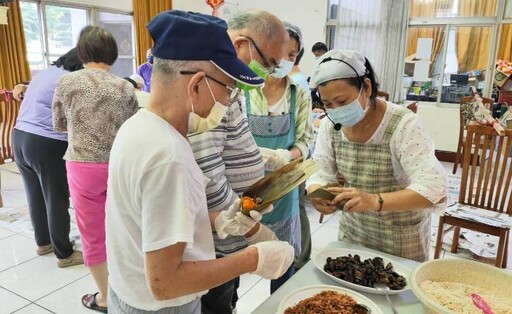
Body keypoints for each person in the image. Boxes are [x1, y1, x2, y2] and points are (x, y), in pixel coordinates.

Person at [105, 10, 294, 314]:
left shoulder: (140, 127)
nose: (226, 101)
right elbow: (165, 282)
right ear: (196, 85)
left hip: (127, 292)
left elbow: (151, 217)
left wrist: (219, 219)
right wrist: (253, 258)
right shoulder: (169, 157)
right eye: (227, 89)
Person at [188, 10, 291, 314]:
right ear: (242, 45)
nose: (268, 73)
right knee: (214, 304)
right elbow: (208, 172)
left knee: (227, 299)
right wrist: (246, 231)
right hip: (213, 242)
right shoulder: (209, 88)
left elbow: (231, 147)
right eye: (269, 63)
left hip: (229, 234)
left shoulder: (230, 85)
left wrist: (264, 160)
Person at [306, 49, 447, 262]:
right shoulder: (330, 126)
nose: (335, 110)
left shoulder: (403, 124)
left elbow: (434, 189)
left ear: (367, 87)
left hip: (401, 239)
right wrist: (318, 194)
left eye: (342, 101)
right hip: (354, 234)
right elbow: (319, 173)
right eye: (327, 105)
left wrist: (374, 200)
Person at [52, 26, 139, 312]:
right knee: (124, 227)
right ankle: (128, 286)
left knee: (92, 233)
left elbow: (60, 124)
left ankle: (104, 297)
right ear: (112, 54)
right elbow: (133, 128)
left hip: (83, 165)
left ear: (82, 52)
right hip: (119, 163)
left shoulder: (67, 83)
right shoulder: (125, 87)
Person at [245, 21, 313, 292]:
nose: (284, 59)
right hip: (245, 182)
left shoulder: (299, 92)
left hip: (284, 186)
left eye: (292, 55)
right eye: (281, 51)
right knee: (236, 257)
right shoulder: (244, 87)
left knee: (283, 262)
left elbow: (307, 140)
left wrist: (287, 155)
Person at [12, 48, 84, 268]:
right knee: (56, 197)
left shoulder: (45, 73)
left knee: (35, 194)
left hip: (20, 137)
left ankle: (43, 243)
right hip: (45, 142)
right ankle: (64, 253)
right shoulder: (70, 79)